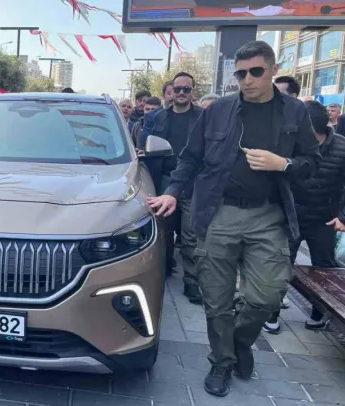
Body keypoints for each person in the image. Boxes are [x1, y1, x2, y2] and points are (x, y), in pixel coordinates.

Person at [146, 41, 320, 397]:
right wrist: (172, 191)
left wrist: (283, 164)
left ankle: (239, 342)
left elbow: (312, 163)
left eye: (256, 71)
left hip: (268, 215)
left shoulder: (294, 112)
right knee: (216, 298)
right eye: (241, 74)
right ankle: (222, 361)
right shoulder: (219, 111)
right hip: (219, 212)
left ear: (273, 69)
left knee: (266, 297)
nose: (247, 80)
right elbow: (191, 157)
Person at [263, 101, 345, 334]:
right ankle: (271, 314)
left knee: (323, 268)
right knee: (281, 264)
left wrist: (342, 216)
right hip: (291, 215)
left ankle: (318, 315)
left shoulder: (341, 147)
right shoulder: (289, 144)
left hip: (324, 219)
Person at [149, 72, 204, 303]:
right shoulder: (158, 117)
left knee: (191, 235)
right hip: (165, 181)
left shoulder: (203, 117)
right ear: (171, 91)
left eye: (186, 89)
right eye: (178, 89)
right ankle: (164, 270)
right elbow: (147, 146)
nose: (181, 93)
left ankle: (191, 281)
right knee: (164, 232)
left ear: (193, 91)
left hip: (193, 182)